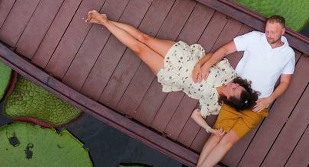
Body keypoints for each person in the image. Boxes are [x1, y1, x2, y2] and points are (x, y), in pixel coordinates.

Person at [85, 10, 259, 134]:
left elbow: (196, 115)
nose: (235, 85)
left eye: (235, 89)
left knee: (138, 49)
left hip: (173, 75)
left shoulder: (215, 104)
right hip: (183, 56)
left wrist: (210, 130)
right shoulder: (228, 75)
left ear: (230, 98)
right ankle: (102, 21)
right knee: (142, 38)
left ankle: (104, 21)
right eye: (238, 85)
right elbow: (212, 56)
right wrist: (201, 65)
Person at [181, 15, 295, 167]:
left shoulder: (288, 54)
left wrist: (269, 99)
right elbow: (226, 49)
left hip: (258, 104)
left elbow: (285, 83)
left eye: (273, 32)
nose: (269, 35)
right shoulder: (255, 38)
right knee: (217, 136)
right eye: (267, 30)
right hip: (237, 96)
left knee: (227, 143)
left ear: (283, 31)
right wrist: (208, 64)